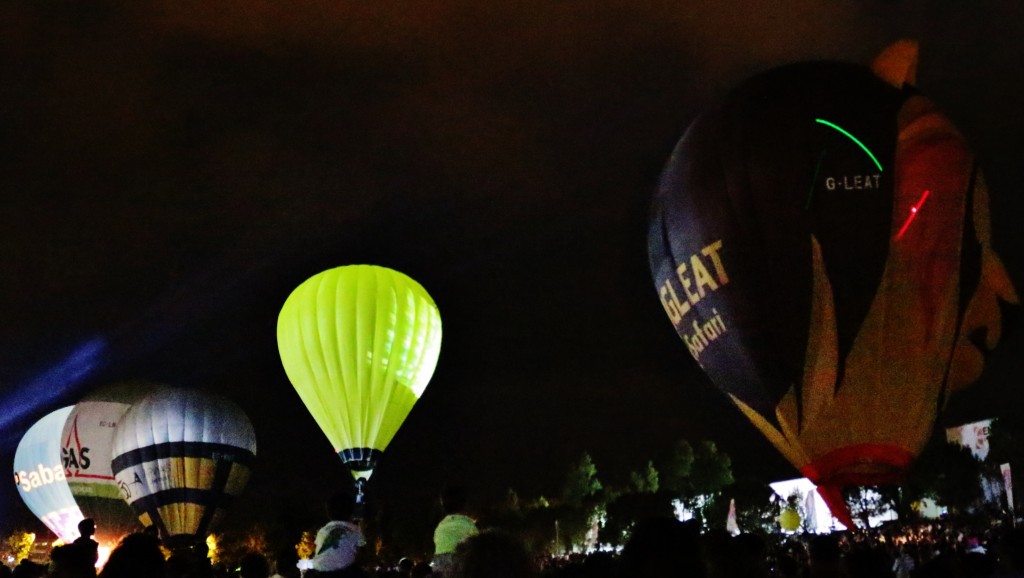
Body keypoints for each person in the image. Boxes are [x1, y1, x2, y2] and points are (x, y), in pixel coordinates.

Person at [308, 489, 366, 577]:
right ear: (351, 512)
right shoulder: (355, 529)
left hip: (319, 572)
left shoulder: (323, 530)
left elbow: (318, 550)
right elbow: (362, 551)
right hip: (343, 572)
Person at [431, 486, 478, 577]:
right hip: (460, 567)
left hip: (439, 568)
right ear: (465, 505)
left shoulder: (440, 527)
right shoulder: (468, 525)